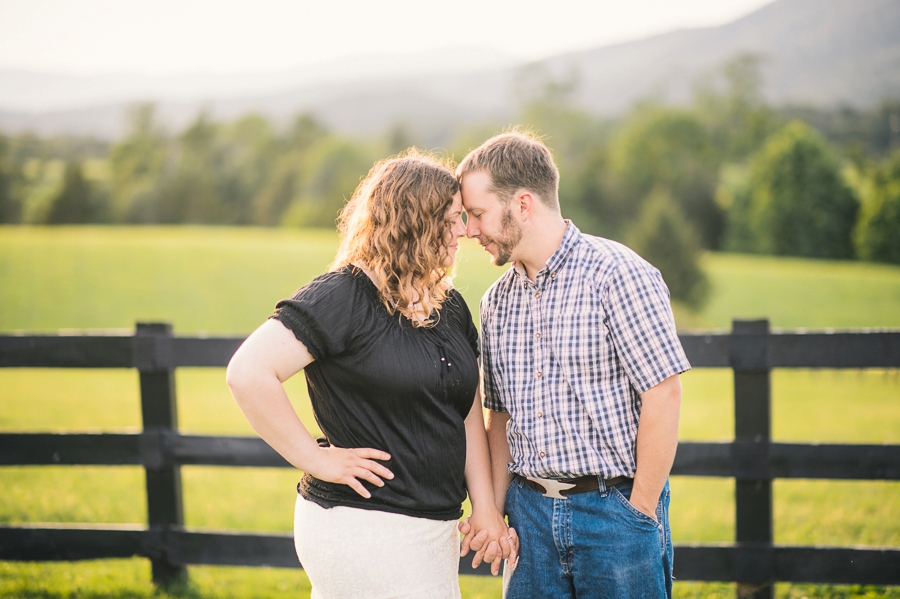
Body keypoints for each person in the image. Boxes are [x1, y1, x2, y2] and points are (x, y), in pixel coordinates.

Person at [226, 150, 516, 599]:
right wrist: (317, 458)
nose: (465, 231)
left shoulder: (450, 305)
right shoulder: (343, 295)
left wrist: (486, 508)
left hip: (431, 530)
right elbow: (248, 372)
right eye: (453, 218)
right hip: (362, 526)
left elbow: (465, 414)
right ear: (414, 220)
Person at [456, 131, 690, 599]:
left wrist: (640, 508)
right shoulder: (495, 303)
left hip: (615, 514)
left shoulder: (619, 274)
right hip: (529, 520)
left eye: (478, 214)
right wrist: (496, 510)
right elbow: (498, 418)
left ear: (522, 204)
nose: (469, 230)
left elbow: (663, 394)